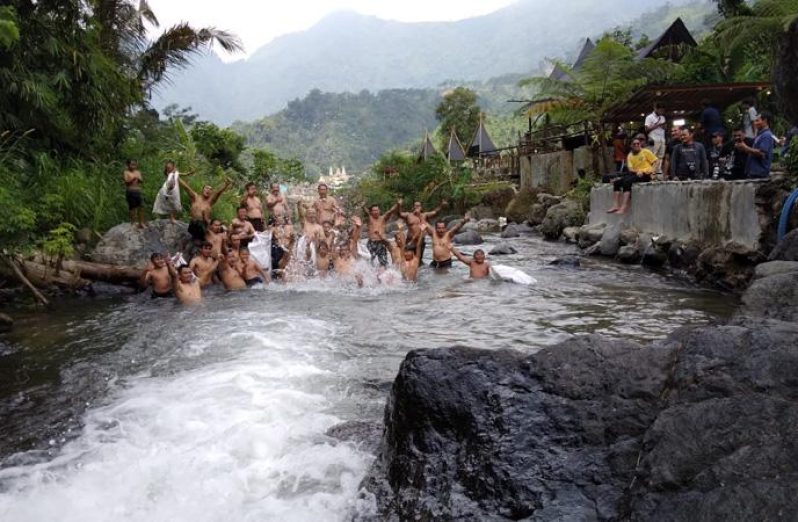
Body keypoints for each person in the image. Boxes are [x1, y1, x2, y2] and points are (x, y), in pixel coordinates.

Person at [606, 138, 657, 214]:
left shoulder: (645, 152)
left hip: (646, 174)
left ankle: (624, 207)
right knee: (617, 182)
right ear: (631, 146)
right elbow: (630, 169)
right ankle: (615, 205)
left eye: (638, 143)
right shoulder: (630, 155)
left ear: (640, 144)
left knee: (627, 182)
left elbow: (656, 161)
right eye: (634, 144)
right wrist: (638, 171)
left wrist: (652, 172)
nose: (636, 145)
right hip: (635, 173)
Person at [179, 177, 233, 245]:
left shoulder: (210, 202)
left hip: (204, 226)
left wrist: (225, 185)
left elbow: (217, 193)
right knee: (197, 223)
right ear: (203, 190)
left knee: (222, 227)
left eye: (210, 189)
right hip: (194, 224)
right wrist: (176, 177)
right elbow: (186, 187)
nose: (208, 190)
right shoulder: (195, 197)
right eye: (207, 188)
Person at [363, 199, 401, 267]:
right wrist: (363, 206)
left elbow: (390, 211)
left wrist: (397, 204)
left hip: (381, 242)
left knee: (383, 263)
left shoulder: (383, 218)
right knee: (370, 262)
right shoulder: (369, 218)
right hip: (371, 243)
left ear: (379, 211)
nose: (376, 212)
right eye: (374, 210)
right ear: (371, 212)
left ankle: (383, 274)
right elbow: (366, 212)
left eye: (377, 210)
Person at [738, 111, 776, 179]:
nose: (755, 123)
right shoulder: (760, 135)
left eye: (757, 120)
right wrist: (743, 148)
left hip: (759, 173)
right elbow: (753, 152)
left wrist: (746, 147)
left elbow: (762, 153)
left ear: (765, 120)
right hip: (754, 173)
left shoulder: (766, 135)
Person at [644, 103, 667, 176]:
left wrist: (664, 126)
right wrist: (658, 125)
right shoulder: (649, 117)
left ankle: (658, 173)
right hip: (653, 139)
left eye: (663, 110)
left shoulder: (663, 117)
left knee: (660, 157)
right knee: (653, 156)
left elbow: (665, 128)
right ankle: (651, 173)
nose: (662, 112)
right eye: (660, 110)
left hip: (662, 139)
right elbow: (646, 129)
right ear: (656, 109)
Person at [123, 159, 146, 228]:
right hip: (130, 191)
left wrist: (139, 179)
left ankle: (141, 223)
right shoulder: (126, 172)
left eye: (134, 164)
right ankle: (133, 222)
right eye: (132, 164)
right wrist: (132, 179)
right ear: (128, 165)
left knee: (141, 207)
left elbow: (141, 180)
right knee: (132, 208)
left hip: (137, 191)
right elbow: (126, 182)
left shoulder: (138, 172)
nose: (133, 166)